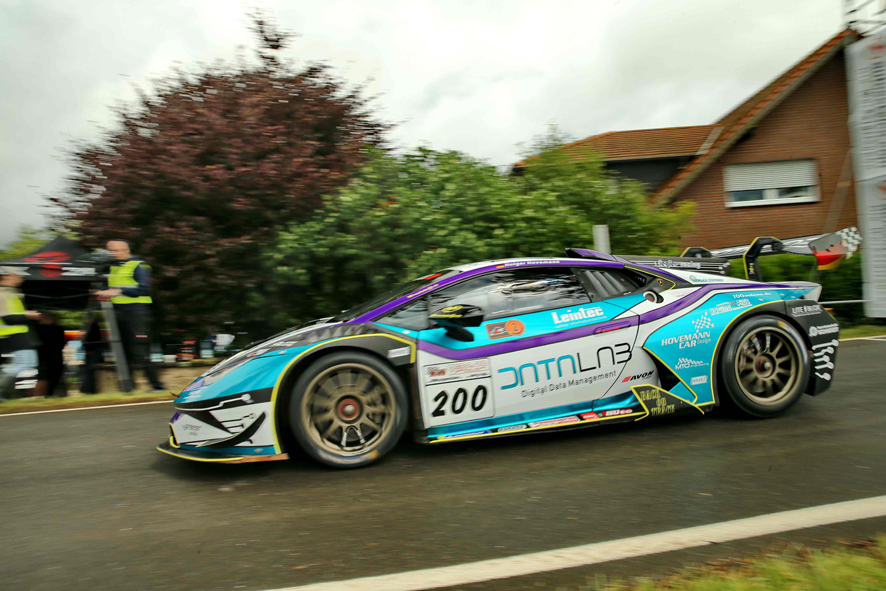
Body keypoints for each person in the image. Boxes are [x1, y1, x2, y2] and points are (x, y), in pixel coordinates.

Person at [94, 240, 165, 393]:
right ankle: (128, 389)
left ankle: (157, 387)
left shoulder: (139, 265)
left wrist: (119, 290)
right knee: (122, 352)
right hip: (117, 313)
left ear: (126, 250)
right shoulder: (112, 267)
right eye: (110, 251)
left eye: (116, 250)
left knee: (140, 351)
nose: (113, 253)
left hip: (137, 313)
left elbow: (144, 289)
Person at [0, 267, 42, 400]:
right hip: (14, 335)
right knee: (26, 362)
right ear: (7, 276)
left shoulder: (10, 292)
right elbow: (8, 318)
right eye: (18, 276)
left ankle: (5, 394)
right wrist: (29, 315)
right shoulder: (3, 293)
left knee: (24, 363)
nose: (21, 279)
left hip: (16, 335)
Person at [35, 312, 67, 398]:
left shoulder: (37, 328)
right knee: (55, 377)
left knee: (42, 377)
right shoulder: (58, 328)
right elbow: (62, 343)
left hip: (42, 356)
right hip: (56, 356)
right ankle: (52, 394)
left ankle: (41, 396)